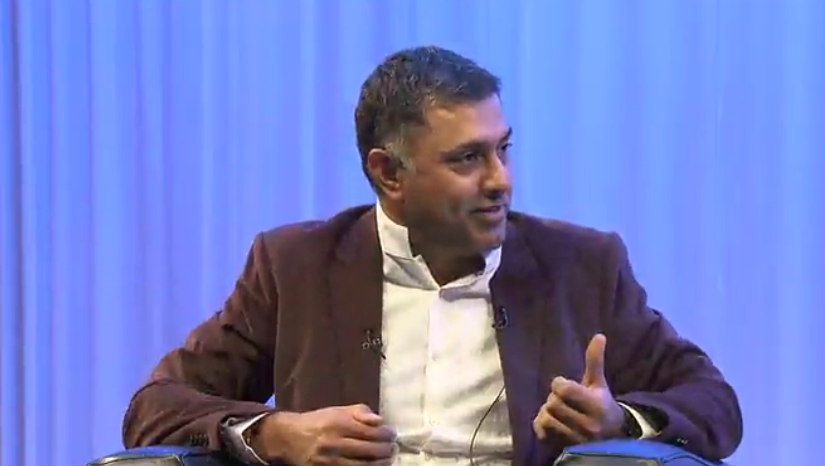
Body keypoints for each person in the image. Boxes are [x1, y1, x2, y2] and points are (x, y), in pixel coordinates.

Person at [122, 45, 743, 466]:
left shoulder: (580, 266)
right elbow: (154, 408)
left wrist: (620, 423)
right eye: (468, 159)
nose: (500, 180)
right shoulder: (296, 267)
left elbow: (714, 403)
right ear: (388, 173)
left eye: (503, 149)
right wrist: (275, 433)